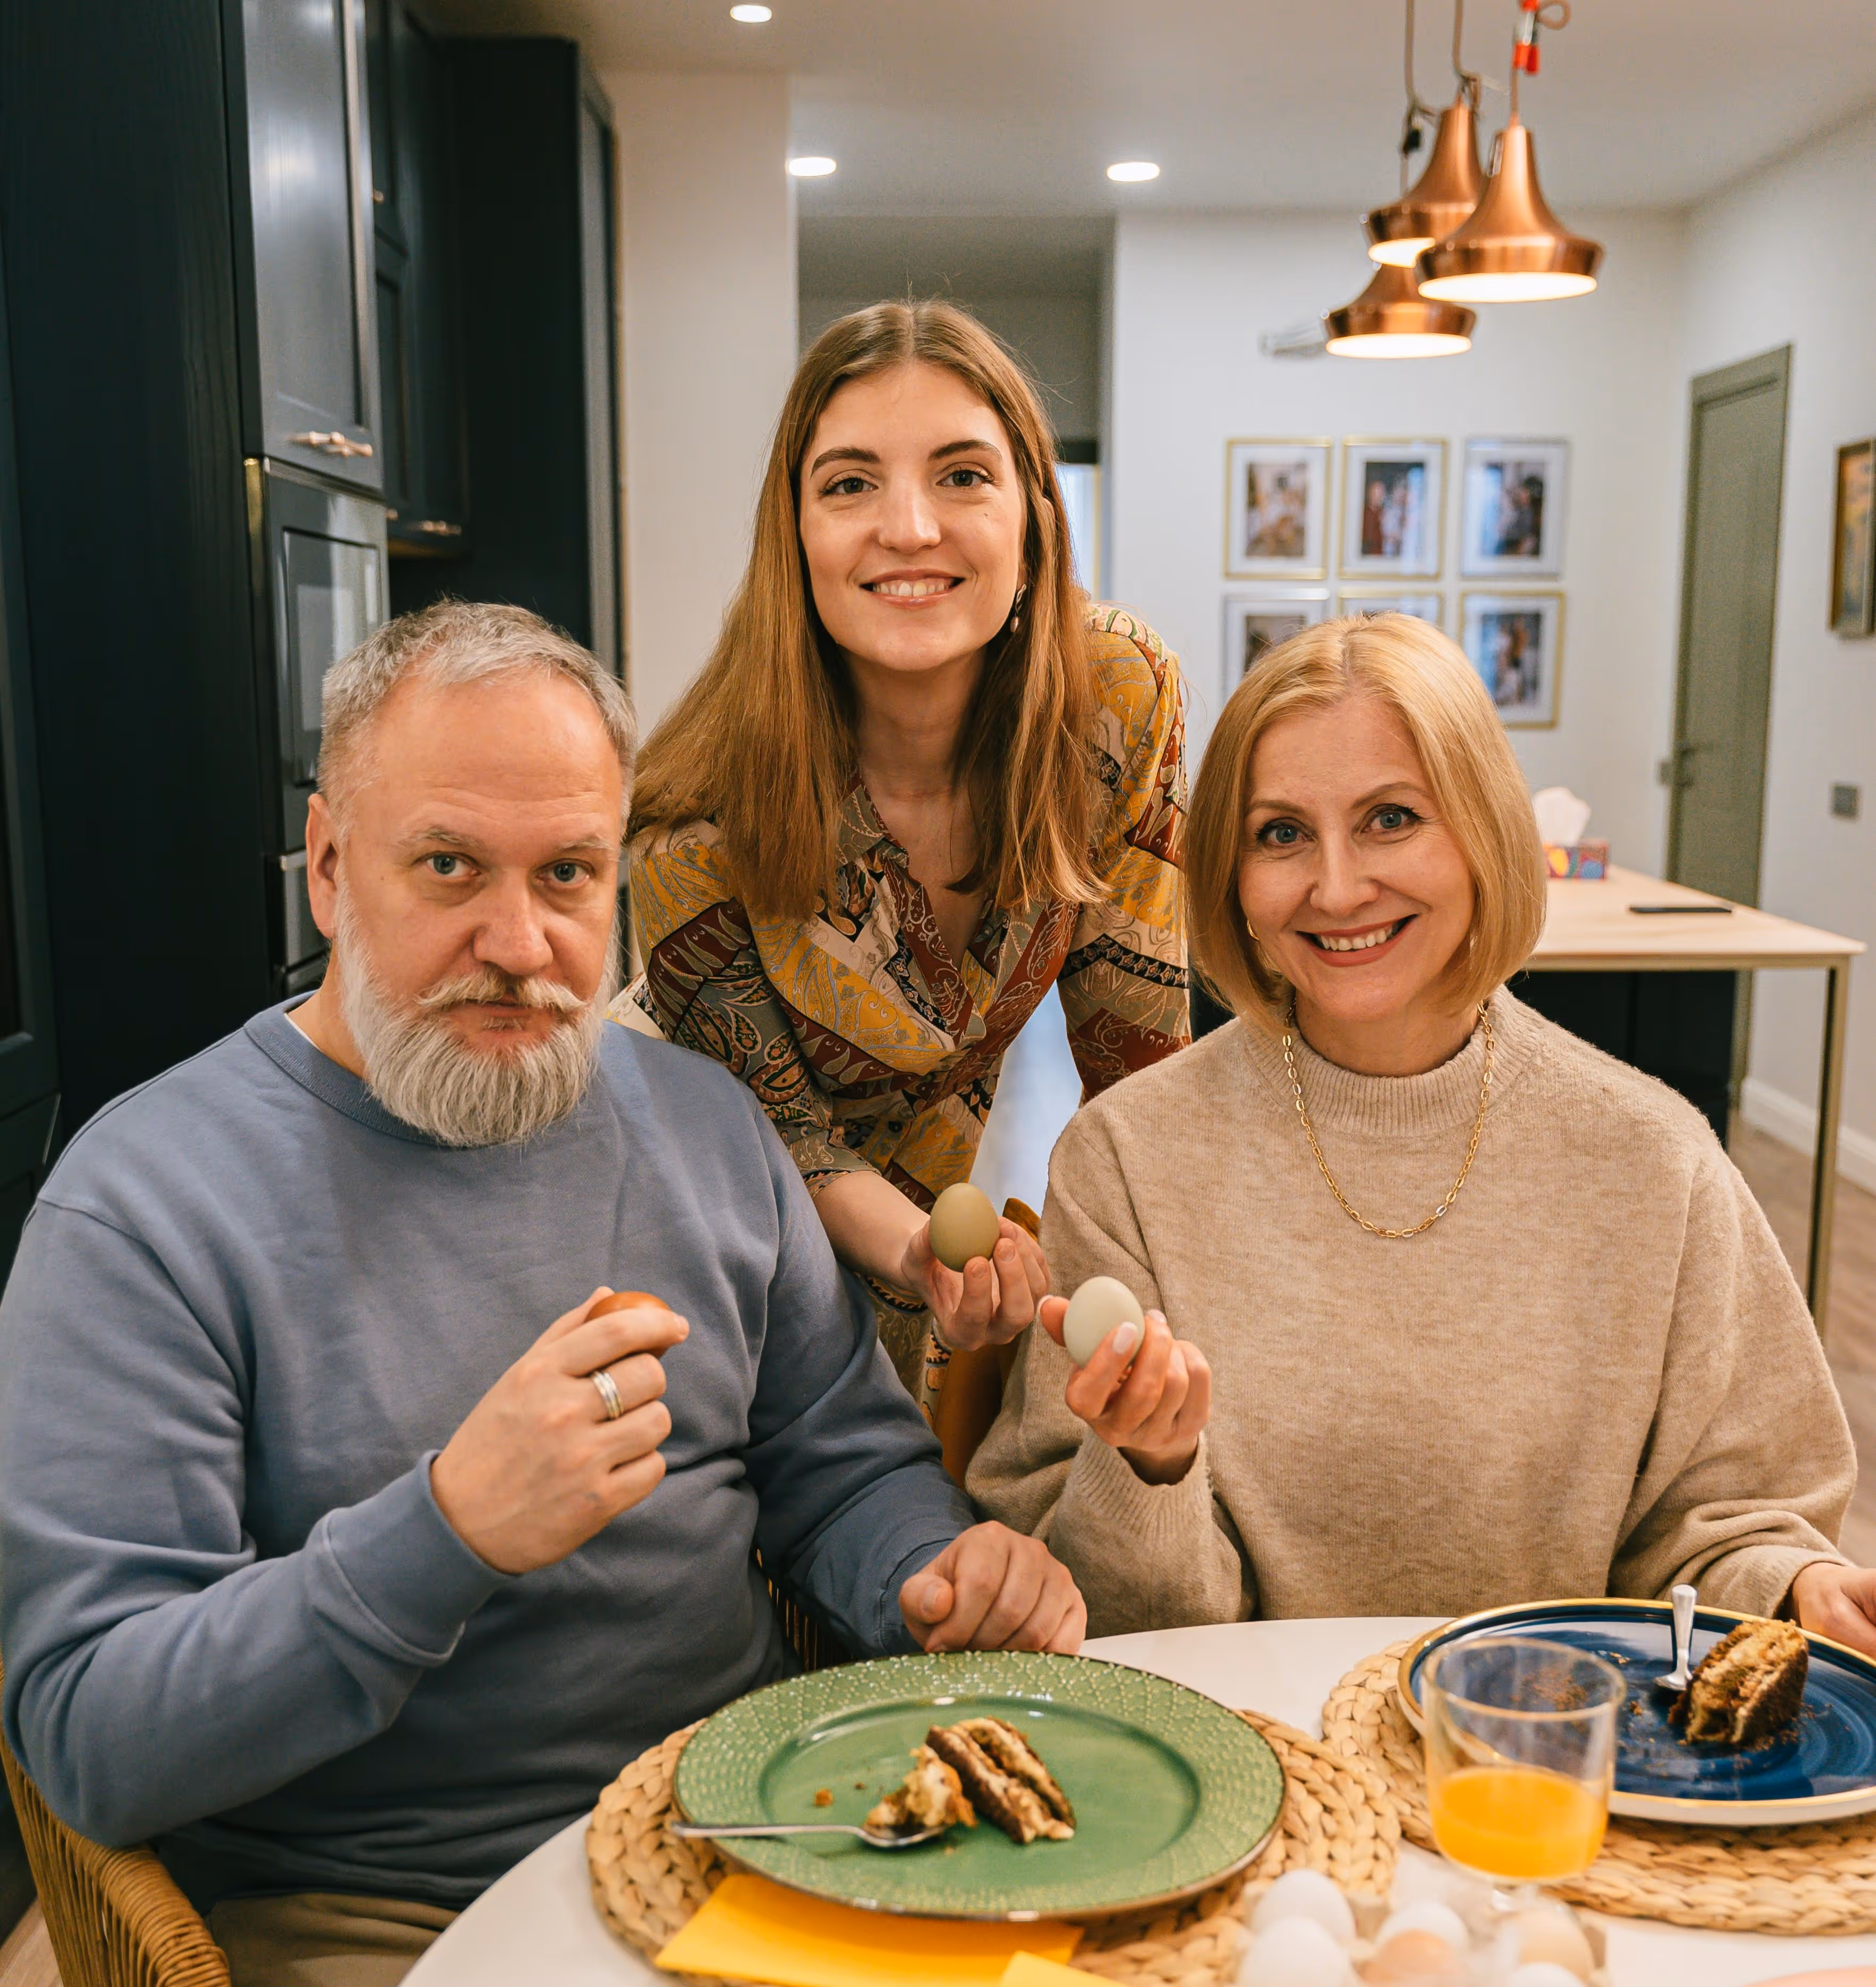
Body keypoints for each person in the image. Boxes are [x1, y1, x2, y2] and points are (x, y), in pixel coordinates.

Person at [0, 601, 1085, 1986]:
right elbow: (94, 1742)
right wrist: (449, 1530)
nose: (518, 940)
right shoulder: (144, 1203)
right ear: (329, 868)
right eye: (450, 866)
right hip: (382, 1914)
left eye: (567, 875)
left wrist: (930, 1572)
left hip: (757, 1836)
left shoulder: (703, 1125)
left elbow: (844, 1470)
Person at [969, 610, 1876, 1656]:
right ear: (1231, 878)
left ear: (1484, 830)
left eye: (1392, 817)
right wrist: (1149, 1469)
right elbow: (1085, 1608)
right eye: (1281, 833)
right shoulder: (1125, 1161)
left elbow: (1728, 1522)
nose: (1340, 884)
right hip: (1245, 1776)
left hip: (1546, 1773)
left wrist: (1797, 1585)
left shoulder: (1654, 1162)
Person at [619, 302, 1187, 1408]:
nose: (912, 526)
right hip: (713, 1250)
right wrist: (925, 1250)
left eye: (964, 475)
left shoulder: (1114, 700)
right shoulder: (691, 823)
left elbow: (1138, 1051)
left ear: (1033, 513)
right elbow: (783, 1139)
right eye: (850, 483)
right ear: (794, 534)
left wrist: (1135, 1301)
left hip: (930, 1228)